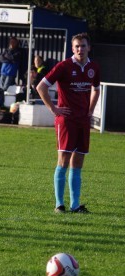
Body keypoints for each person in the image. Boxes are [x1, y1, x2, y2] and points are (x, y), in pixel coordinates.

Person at [36, 32, 101, 213]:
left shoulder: (94, 67)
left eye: (83, 46)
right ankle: (59, 204)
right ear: (72, 49)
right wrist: (53, 109)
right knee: (63, 160)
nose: (80, 49)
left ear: (89, 47)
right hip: (66, 121)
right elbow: (41, 87)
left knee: (78, 161)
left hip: (83, 120)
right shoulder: (63, 66)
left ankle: (75, 205)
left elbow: (96, 89)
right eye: (77, 46)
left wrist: (90, 109)